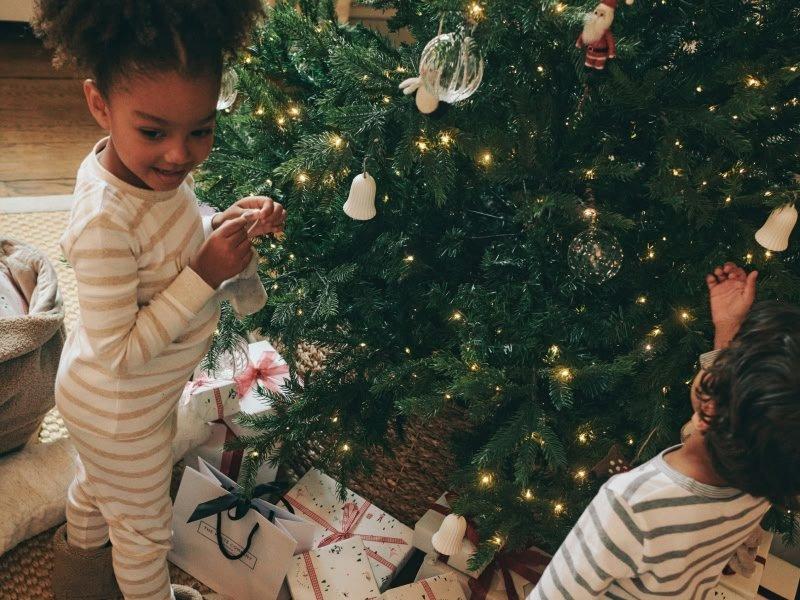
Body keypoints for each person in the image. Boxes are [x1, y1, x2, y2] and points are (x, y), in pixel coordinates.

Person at [32, 2, 283, 599]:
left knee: (98, 487)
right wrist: (204, 271)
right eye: (154, 133)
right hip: (120, 410)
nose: (179, 155)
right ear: (100, 105)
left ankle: (79, 580)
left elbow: (170, 244)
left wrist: (226, 225)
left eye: (201, 130)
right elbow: (119, 351)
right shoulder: (101, 223)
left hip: (123, 405)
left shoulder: (148, 178)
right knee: (144, 534)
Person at [530, 263, 800, 599]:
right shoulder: (763, 478)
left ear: (712, 401)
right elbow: (736, 410)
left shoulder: (631, 502)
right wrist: (728, 328)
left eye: (732, 356)